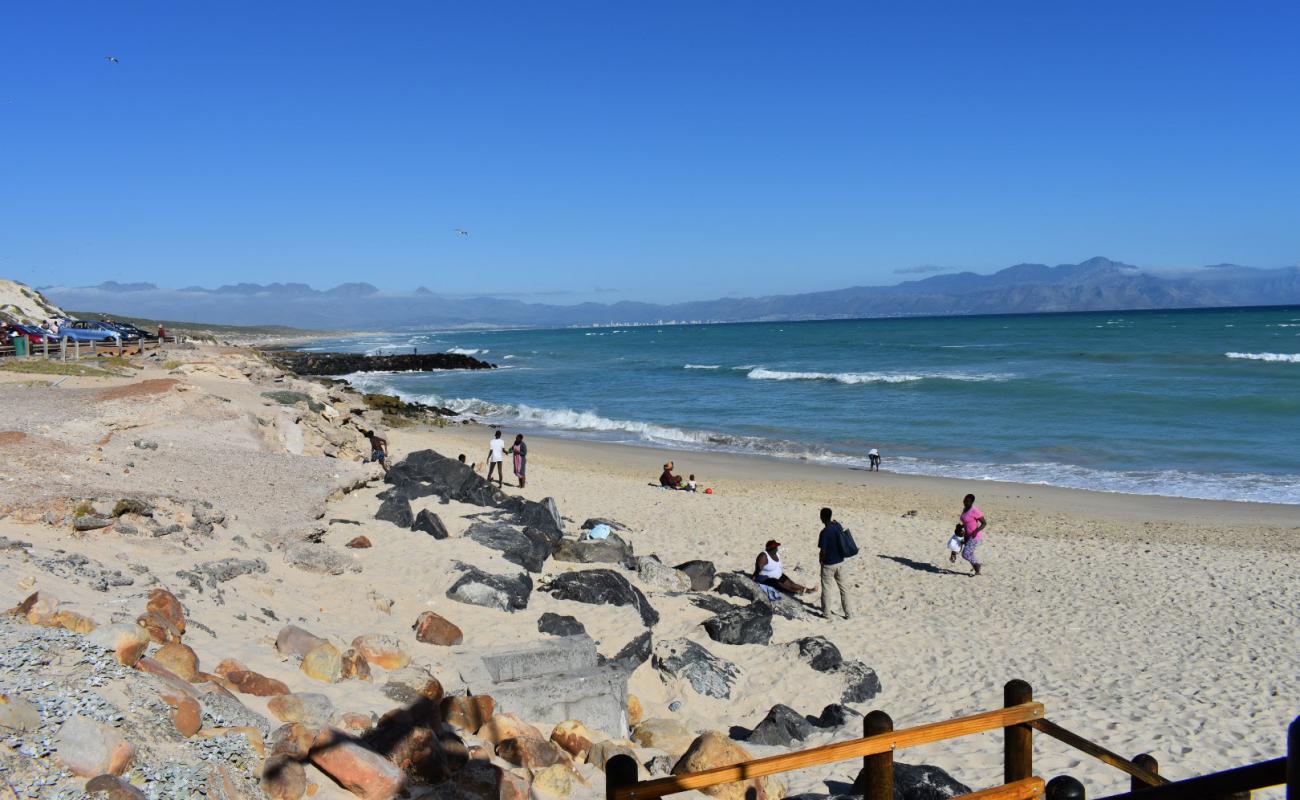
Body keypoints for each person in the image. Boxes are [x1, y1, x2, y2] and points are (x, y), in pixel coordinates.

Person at [817, 507, 854, 620]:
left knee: (827, 589)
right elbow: (839, 526)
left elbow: (823, 551)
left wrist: (821, 560)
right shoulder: (837, 526)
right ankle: (849, 614)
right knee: (844, 589)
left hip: (828, 564)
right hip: (840, 562)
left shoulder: (824, 533)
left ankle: (827, 614)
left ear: (822, 517)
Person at [956, 494, 987, 575]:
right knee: (970, 553)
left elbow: (984, 523)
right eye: (965, 500)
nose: (965, 502)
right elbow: (966, 522)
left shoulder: (975, 510)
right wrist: (961, 527)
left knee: (965, 554)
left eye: (968, 501)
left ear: (972, 502)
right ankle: (977, 569)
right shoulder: (965, 509)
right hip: (967, 536)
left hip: (975, 536)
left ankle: (976, 565)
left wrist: (976, 531)